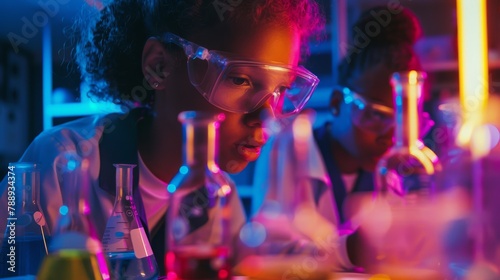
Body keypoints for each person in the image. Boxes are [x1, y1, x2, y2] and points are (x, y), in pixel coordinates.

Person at [0, 0, 325, 276]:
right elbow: (10, 267)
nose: (268, 116)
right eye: (239, 79)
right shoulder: (60, 159)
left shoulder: (216, 193)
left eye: (281, 90)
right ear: (159, 67)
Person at [249, 5, 426, 272]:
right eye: (375, 115)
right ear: (336, 103)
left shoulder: (394, 170)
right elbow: (272, 254)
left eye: (401, 124)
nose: (389, 136)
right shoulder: (289, 148)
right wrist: (353, 248)